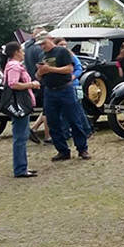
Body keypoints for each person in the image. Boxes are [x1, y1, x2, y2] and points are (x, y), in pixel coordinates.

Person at [36, 32, 91, 161]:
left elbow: (69, 69)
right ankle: (62, 150)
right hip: (49, 91)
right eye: (40, 45)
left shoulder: (62, 51)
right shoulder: (41, 55)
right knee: (53, 122)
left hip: (65, 89)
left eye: (44, 43)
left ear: (50, 39)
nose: (42, 46)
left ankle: (82, 149)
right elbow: (38, 76)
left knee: (74, 119)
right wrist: (40, 72)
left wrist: (50, 69)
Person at [3, 41, 40, 178]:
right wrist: (31, 84)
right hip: (19, 104)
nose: (23, 53)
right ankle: (20, 169)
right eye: (22, 51)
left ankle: (22, 166)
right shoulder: (14, 66)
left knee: (22, 135)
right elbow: (13, 84)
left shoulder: (13, 65)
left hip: (21, 104)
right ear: (17, 52)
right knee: (20, 137)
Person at [54, 36, 94, 137]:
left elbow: (79, 68)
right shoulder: (54, 57)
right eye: (61, 45)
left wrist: (72, 77)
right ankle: (65, 132)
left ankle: (87, 130)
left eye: (65, 44)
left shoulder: (71, 56)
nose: (63, 46)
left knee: (78, 109)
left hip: (74, 86)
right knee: (64, 111)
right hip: (61, 86)